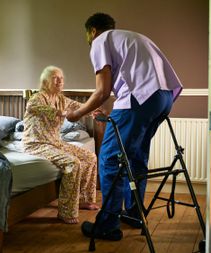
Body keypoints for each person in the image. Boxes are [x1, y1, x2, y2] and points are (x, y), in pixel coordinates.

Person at [65, 13, 183, 240]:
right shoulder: (132, 37)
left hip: (139, 98)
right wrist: (117, 112)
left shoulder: (100, 41)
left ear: (92, 31)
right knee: (136, 157)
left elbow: (102, 91)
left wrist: (76, 113)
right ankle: (134, 213)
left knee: (111, 159)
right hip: (162, 98)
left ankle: (107, 225)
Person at [22, 65, 99, 224]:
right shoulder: (37, 97)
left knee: (90, 157)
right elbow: (32, 107)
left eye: (61, 78)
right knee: (73, 163)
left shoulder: (61, 99)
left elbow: (79, 106)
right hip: (37, 144)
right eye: (55, 78)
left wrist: (93, 111)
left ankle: (83, 199)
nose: (60, 81)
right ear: (45, 81)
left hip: (55, 142)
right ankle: (66, 211)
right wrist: (58, 112)